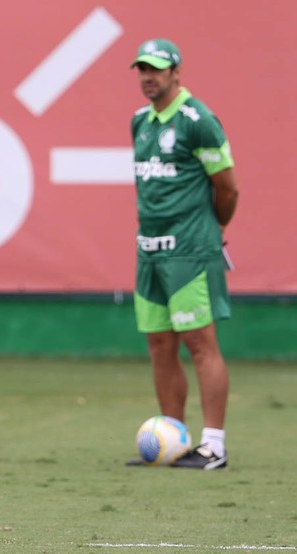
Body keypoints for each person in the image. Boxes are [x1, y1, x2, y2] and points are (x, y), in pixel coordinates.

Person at [127, 38, 239, 470]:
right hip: (149, 251)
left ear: (176, 72)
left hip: (191, 250)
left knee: (200, 343)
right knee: (159, 344)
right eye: (142, 69)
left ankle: (213, 446)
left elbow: (228, 187)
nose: (148, 77)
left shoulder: (198, 120)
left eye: (156, 69)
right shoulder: (139, 121)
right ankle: (173, 438)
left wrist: (211, 231)